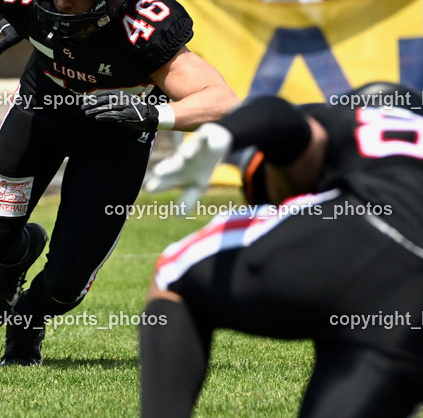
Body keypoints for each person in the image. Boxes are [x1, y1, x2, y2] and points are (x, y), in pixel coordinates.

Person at [0, 0, 238, 366]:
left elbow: (223, 100)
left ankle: (28, 318)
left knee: (66, 283)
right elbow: (48, 6)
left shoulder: (144, 23)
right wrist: (31, 24)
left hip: (115, 133)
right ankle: (19, 253)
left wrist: (151, 112)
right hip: (43, 108)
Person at [139, 86, 423, 417]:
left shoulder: (354, 120)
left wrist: (224, 131)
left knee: (175, 274)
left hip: (368, 230)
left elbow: (280, 115)